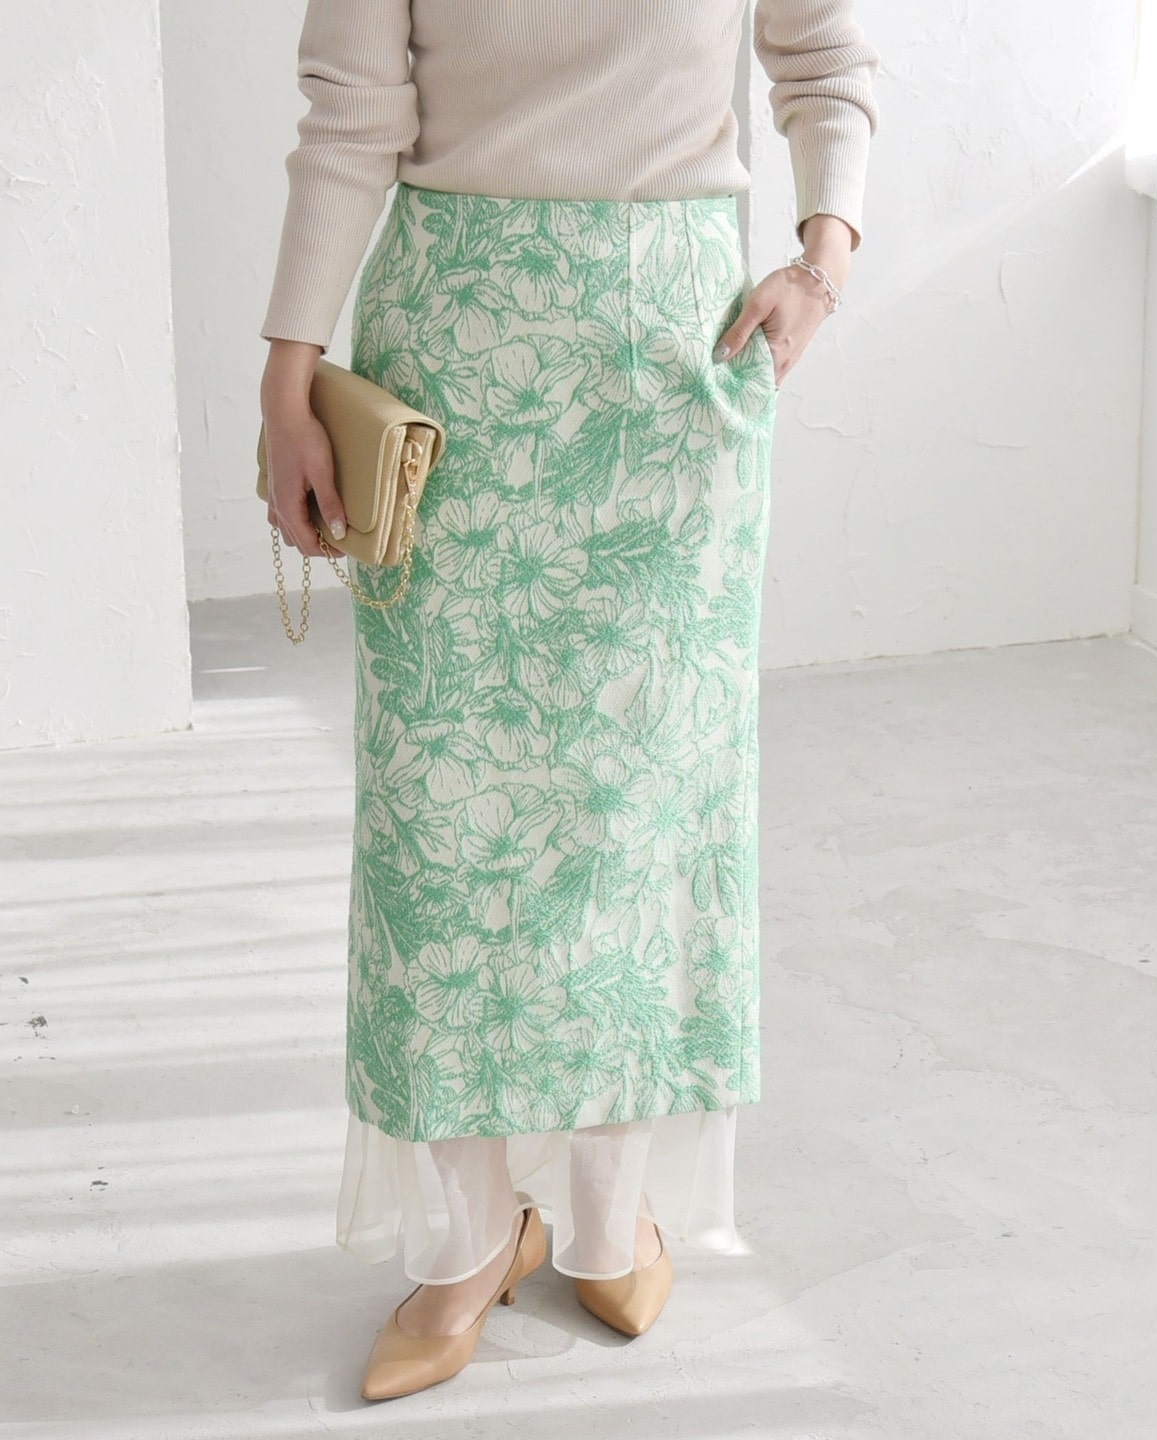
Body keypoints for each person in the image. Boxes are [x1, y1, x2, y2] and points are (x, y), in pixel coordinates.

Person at [258, 0, 879, 1404]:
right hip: (456, 352)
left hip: (673, 364)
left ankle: (610, 1205)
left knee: (635, 809)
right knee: (443, 825)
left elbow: (825, 53)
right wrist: (288, 379)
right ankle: (472, 1233)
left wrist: (822, 260)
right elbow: (349, 115)